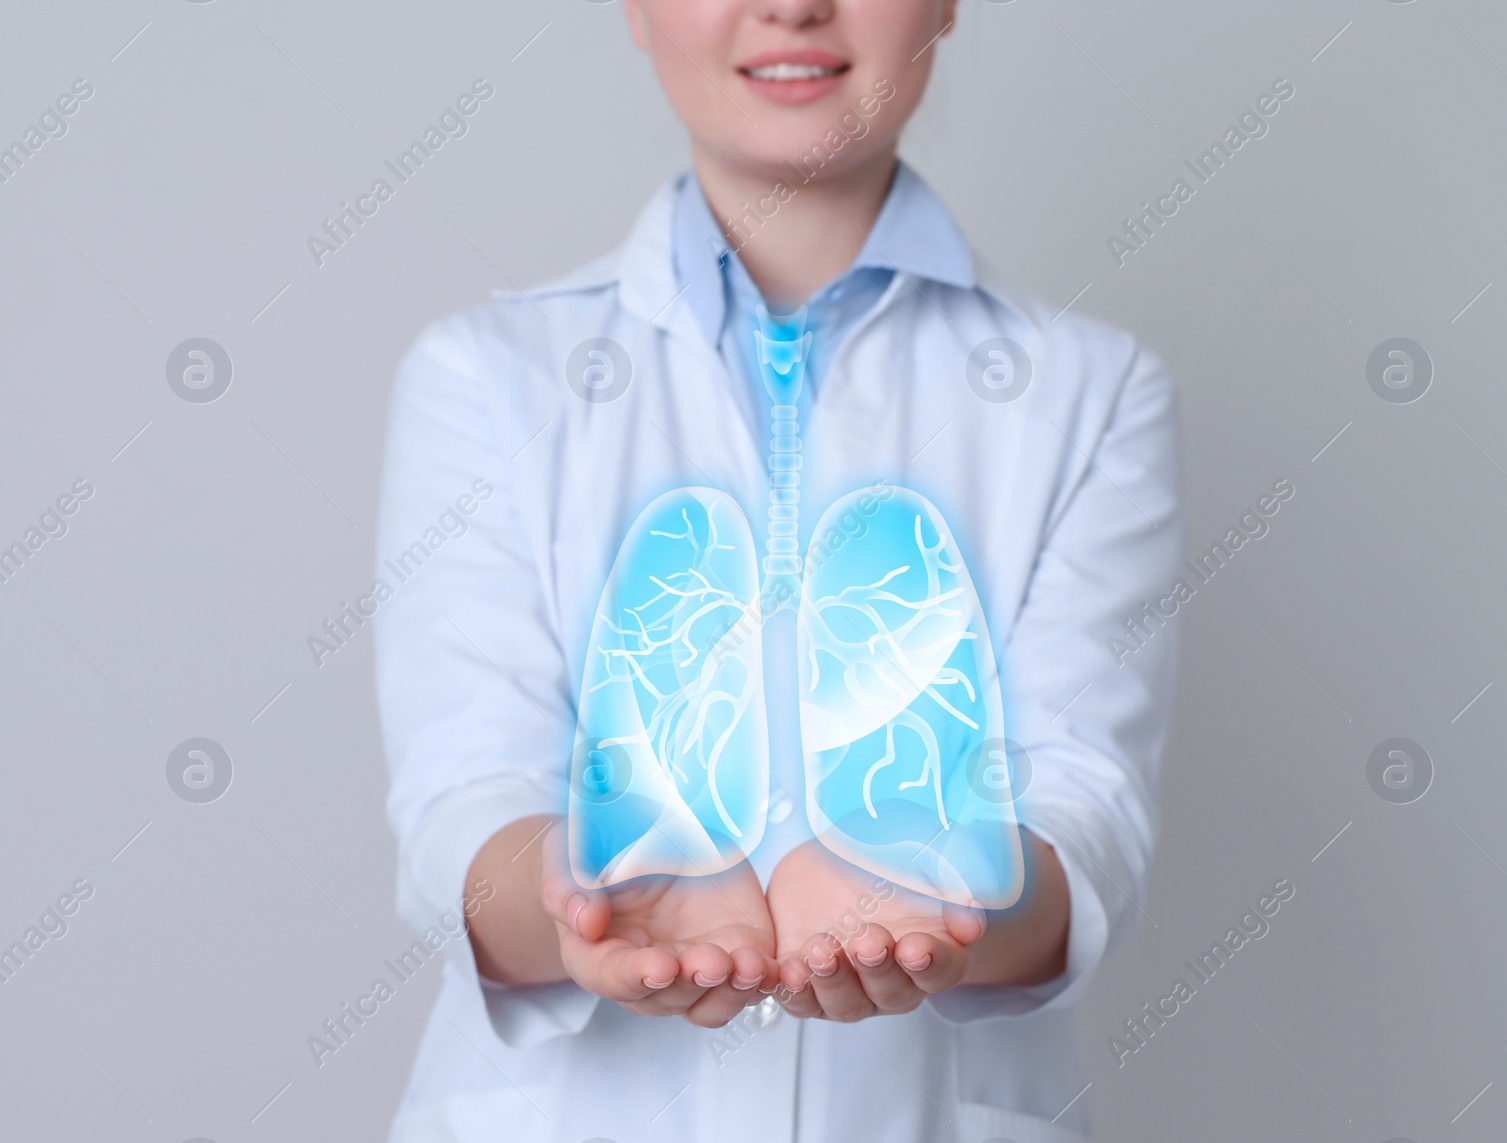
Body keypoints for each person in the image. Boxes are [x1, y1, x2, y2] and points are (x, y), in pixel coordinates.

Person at [373, 0, 1184, 1139]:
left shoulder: (1091, 395)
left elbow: (1086, 820)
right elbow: (463, 804)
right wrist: (580, 891)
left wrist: (942, 905)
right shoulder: (484, 377)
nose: (791, 4)